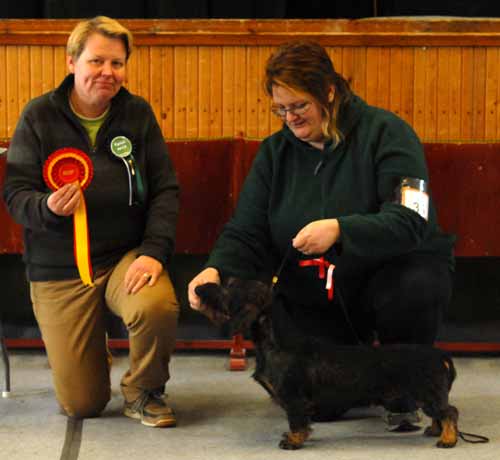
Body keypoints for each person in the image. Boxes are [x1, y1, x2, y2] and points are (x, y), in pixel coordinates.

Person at [188, 41, 455, 427]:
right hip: (316, 296)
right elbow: (245, 230)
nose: (290, 118)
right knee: (323, 407)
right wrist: (214, 269)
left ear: (329, 91)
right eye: (280, 109)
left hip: (386, 283)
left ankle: (405, 389)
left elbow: (412, 219)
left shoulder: (388, 133)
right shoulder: (274, 153)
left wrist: (341, 229)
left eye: (299, 106)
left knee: (418, 283)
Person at [3, 16, 179, 428]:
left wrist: (153, 253)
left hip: (125, 256)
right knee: (82, 405)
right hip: (59, 269)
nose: (108, 72)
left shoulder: (137, 114)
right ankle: (89, 352)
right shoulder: (38, 116)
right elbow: (15, 195)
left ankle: (144, 391)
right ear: (71, 62)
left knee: (156, 305)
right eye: (97, 61)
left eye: (117, 63)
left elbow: (166, 190)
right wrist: (48, 207)